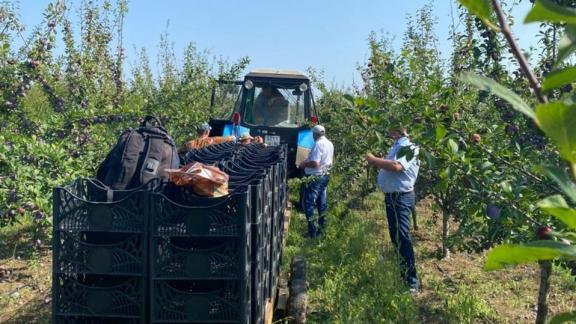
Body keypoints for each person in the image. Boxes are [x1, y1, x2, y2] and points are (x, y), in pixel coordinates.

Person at [365, 124, 420, 293]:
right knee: (396, 237)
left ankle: (412, 282)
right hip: (393, 197)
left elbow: (396, 166)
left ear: (397, 129)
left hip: (401, 198)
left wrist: (374, 160)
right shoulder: (397, 145)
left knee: (402, 237)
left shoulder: (409, 147)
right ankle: (403, 273)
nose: (386, 129)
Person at [298, 125, 334, 238]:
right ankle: (322, 230)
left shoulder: (318, 144)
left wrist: (304, 164)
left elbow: (315, 163)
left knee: (309, 203)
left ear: (314, 134)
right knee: (321, 203)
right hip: (325, 176)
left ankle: (312, 232)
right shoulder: (329, 143)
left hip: (315, 177)